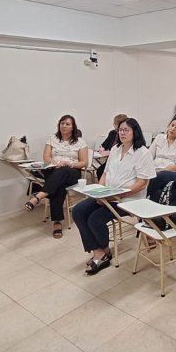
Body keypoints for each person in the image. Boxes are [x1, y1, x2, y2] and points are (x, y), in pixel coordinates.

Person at [72, 117, 156, 274]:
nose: (122, 133)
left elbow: (142, 184)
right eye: (120, 129)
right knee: (78, 211)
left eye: (126, 130)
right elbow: (105, 173)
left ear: (135, 132)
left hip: (129, 200)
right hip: (108, 195)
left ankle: (104, 252)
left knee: (95, 219)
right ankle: (99, 251)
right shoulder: (116, 149)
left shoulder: (143, 153)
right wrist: (100, 191)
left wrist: (115, 196)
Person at [23, 114, 88, 238]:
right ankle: (56, 222)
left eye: (67, 124)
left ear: (73, 127)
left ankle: (39, 196)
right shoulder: (52, 139)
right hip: (54, 169)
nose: (64, 126)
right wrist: (55, 163)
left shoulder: (80, 142)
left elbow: (84, 162)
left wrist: (69, 164)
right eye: (62, 123)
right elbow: (46, 157)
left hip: (72, 171)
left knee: (63, 172)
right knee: (58, 186)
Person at [147, 115, 176, 199]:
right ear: (168, 126)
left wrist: (160, 170)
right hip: (155, 169)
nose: (173, 129)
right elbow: (148, 156)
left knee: (159, 176)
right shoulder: (159, 138)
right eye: (172, 125)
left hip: (172, 173)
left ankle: (142, 196)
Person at [95, 113, 127, 180]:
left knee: (107, 172)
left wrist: (109, 152)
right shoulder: (112, 133)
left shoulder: (125, 135)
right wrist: (102, 148)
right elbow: (104, 145)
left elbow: (122, 149)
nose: (114, 125)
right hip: (110, 160)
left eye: (115, 124)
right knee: (100, 171)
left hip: (121, 161)